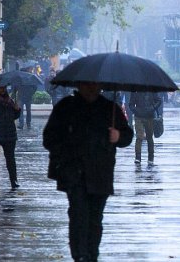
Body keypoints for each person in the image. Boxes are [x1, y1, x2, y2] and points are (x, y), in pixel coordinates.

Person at [43, 82, 133, 262]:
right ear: (80, 86)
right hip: (73, 173)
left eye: (95, 86)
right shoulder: (66, 107)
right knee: (78, 215)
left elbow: (127, 135)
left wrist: (118, 136)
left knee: (95, 218)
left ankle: (92, 254)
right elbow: (49, 138)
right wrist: (66, 150)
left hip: (101, 173)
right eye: (87, 85)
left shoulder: (110, 109)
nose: (91, 89)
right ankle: (80, 255)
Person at [129, 91, 163, 164]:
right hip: (139, 116)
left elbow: (159, 100)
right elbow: (131, 104)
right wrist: (136, 110)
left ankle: (151, 157)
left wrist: (152, 108)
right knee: (139, 136)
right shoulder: (135, 90)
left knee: (149, 137)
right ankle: (138, 157)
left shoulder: (152, 89)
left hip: (149, 116)